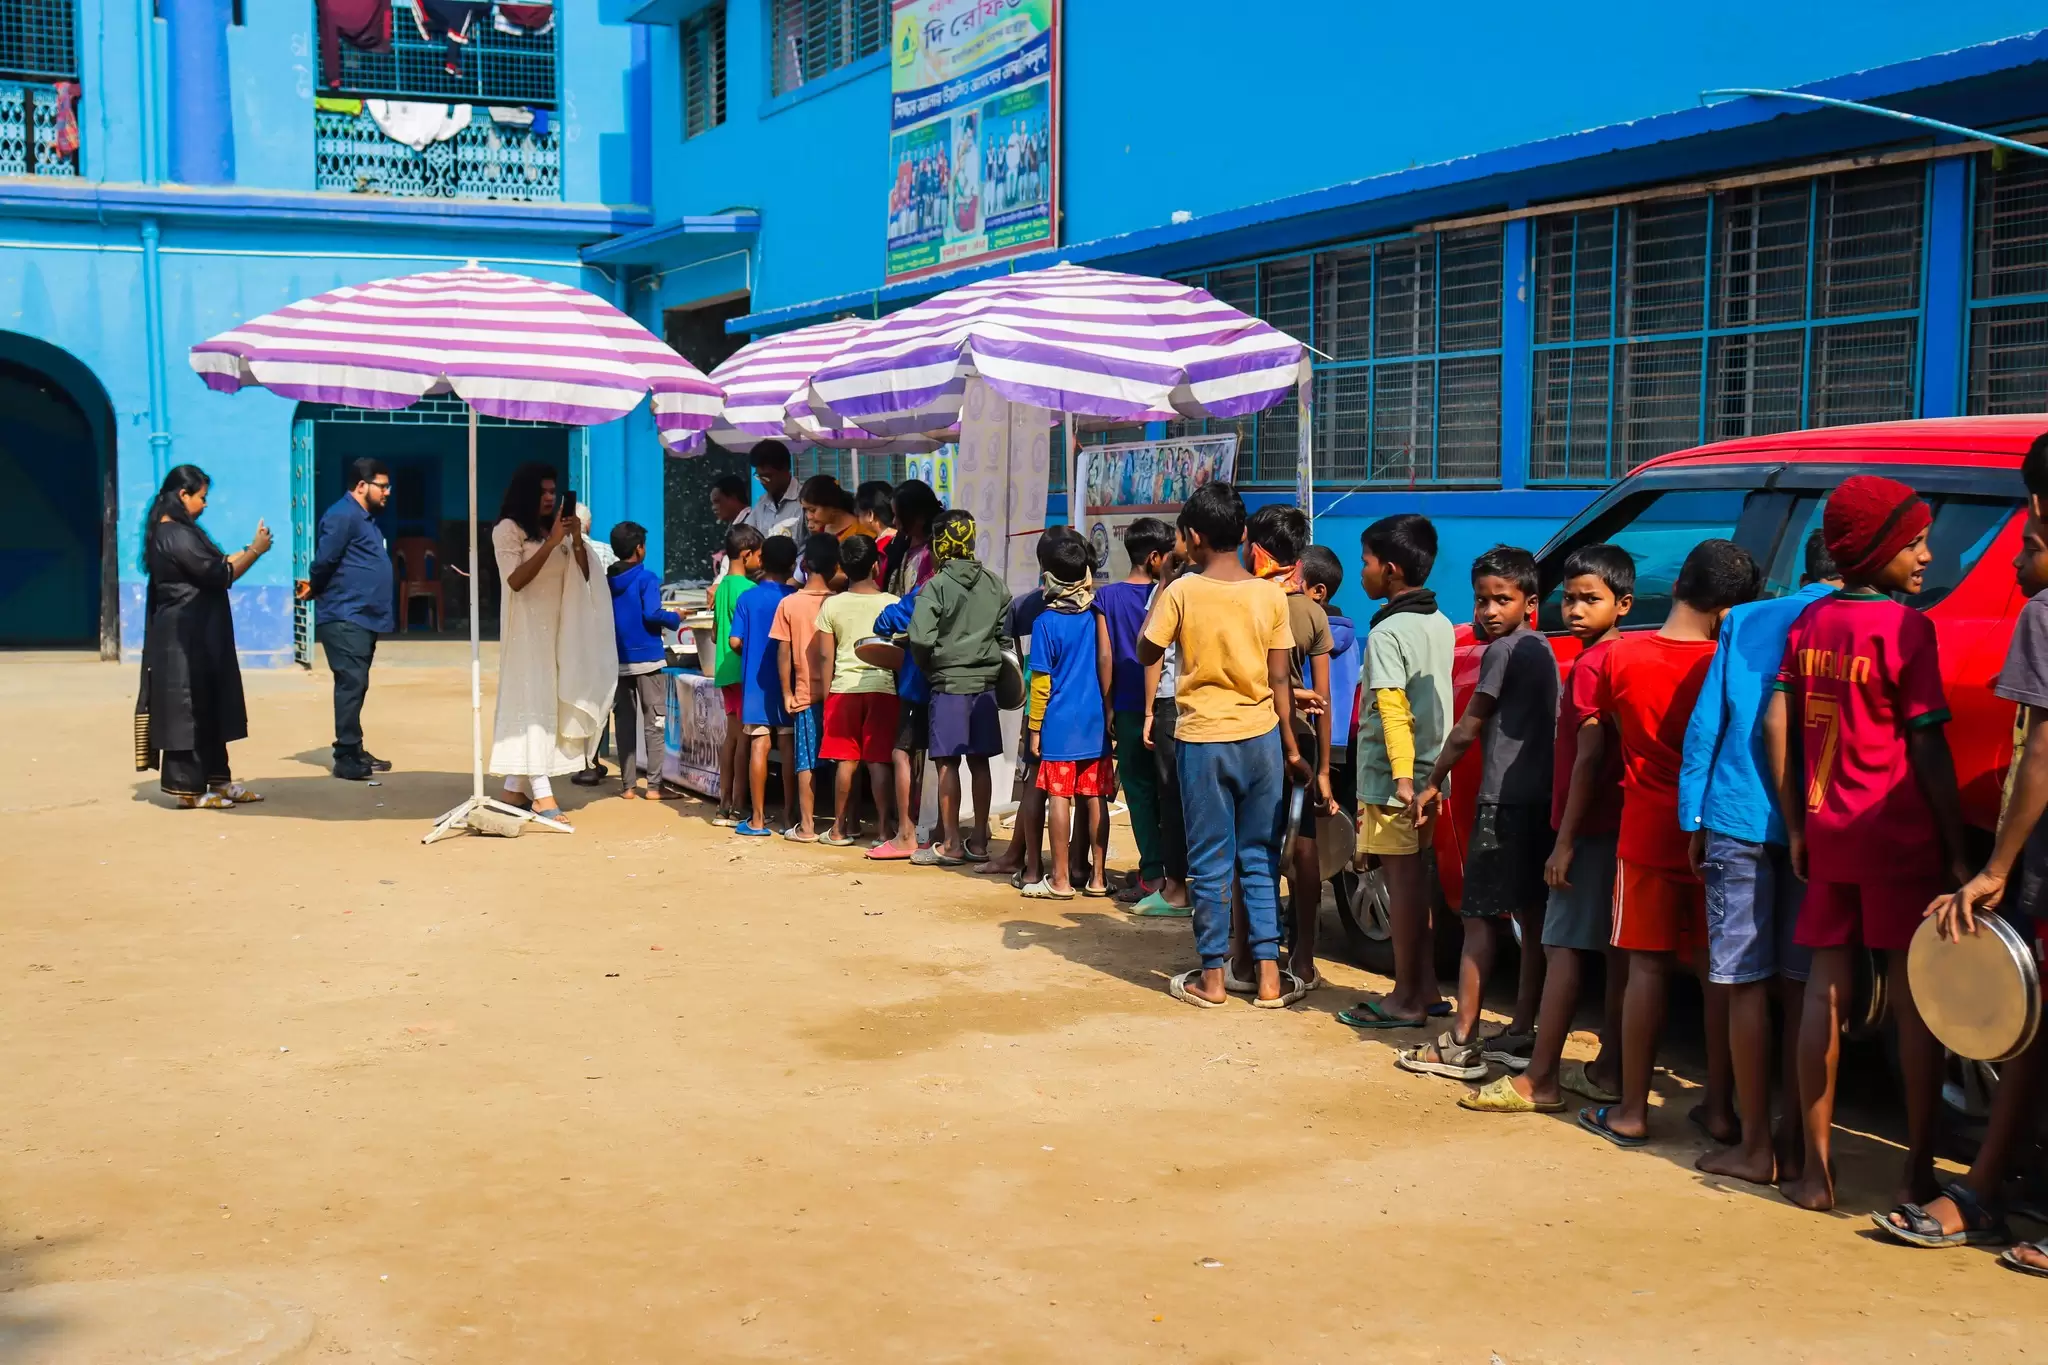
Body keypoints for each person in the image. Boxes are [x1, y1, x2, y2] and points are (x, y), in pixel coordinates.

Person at [1768, 475, 1968, 1213]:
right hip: (1895, 836)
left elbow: (1782, 724)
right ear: (1878, 549)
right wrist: (1957, 848)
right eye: (1915, 543)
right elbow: (1929, 749)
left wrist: (1797, 824)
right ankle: (1917, 1172)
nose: (1927, 556)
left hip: (1827, 831)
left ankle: (1814, 1174)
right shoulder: (1907, 630)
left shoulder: (1809, 622)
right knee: (1914, 1002)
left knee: (1824, 989)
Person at [1878, 475, 2048, 1266]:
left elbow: (2042, 749)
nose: (2017, 557)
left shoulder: (2042, 614)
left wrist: (1996, 864)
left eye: (2028, 541)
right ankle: (1988, 1189)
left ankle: (1984, 1191)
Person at [1668, 531, 1839, 1178]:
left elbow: (1707, 726)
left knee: (1742, 982)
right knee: (1802, 987)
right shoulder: (1870, 622)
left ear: (1805, 567)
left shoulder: (1746, 619)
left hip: (1740, 816)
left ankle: (1755, 1146)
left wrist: (1694, 816)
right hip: (1822, 828)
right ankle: (1796, 1142)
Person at [1577, 539, 1759, 1147]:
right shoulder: (1728, 664)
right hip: (1715, 832)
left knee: (1645, 968)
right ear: (1729, 609)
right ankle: (1720, 1108)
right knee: (1716, 973)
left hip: (1645, 832)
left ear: (1678, 584)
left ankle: (1630, 1110)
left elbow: (1611, 732)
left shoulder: (1621, 658)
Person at [1463, 543, 1633, 1115]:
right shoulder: (1619, 657)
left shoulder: (1591, 666)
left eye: (1591, 600)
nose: (1576, 610)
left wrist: (1564, 841)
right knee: (1617, 952)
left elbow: (1588, 758)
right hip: (1616, 825)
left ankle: (1540, 1080)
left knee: (1561, 946)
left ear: (1623, 603)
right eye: (1571, 599)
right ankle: (1609, 1068)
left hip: (1585, 831)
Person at [1139, 482, 1306, 1008]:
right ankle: (1270, 978)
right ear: (1244, 533)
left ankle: (1212, 979)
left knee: (1210, 861)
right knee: (1259, 858)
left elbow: (1146, 651)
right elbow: (1279, 679)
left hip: (1204, 739)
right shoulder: (1269, 594)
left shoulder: (1182, 591)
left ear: (1192, 536)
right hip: (1262, 738)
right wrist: (1291, 748)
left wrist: (1165, 584)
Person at [1406, 546, 1557, 1080]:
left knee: (1477, 920)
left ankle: (1461, 1041)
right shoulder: (1542, 647)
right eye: (1481, 600)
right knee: (1532, 921)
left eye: (1502, 600)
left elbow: (1468, 727)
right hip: (1539, 801)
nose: (1489, 611)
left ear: (1530, 603)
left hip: (1501, 801)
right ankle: (1520, 1031)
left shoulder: (1502, 652)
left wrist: (1432, 780)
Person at [1338, 514, 1457, 1029]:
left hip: (1395, 785)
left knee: (1403, 891)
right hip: (1432, 779)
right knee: (1416, 887)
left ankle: (1406, 998)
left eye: (1365, 561)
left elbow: (1392, 709)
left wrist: (1403, 779)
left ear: (1390, 570)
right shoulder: (1439, 622)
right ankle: (1424, 989)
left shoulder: (1388, 632)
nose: (1360, 571)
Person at [134, 465, 273, 809]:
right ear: (183, 495)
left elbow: (220, 563)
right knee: (187, 710)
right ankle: (188, 790)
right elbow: (221, 574)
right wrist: (256, 551)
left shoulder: (184, 532)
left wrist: (250, 548)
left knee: (210, 704)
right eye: (202, 497)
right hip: (183, 636)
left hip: (201, 633)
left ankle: (218, 780)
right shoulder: (173, 534)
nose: (205, 504)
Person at [488, 462, 615, 828]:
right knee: (532, 705)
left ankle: (514, 789)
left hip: (559, 631)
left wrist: (574, 539)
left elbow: (586, 575)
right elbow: (515, 581)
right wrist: (553, 542)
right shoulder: (508, 530)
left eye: (552, 491)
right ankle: (542, 793)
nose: (549, 498)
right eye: (542, 491)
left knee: (550, 705)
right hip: (526, 633)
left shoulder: (555, 530)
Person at [1241, 504, 1335, 991]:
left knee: (1251, 842)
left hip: (1256, 733)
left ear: (1255, 547)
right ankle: (1304, 959)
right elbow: (1324, 699)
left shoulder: (1248, 602)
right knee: (1304, 844)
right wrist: (1324, 769)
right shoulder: (1312, 612)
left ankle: (1245, 955)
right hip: (1302, 738)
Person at [980, 529, 1088, 890]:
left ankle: (1027, 864)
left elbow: (1010, 654)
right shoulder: (1093, 606)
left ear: (1043, 566)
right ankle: (1079, 865)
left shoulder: (1028, 606)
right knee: (1084, 790)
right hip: (1086, 709)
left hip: (1042, 709)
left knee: (1035, 785)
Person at [906, 509, 1012, 866]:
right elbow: (1004, 639)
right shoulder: (996, 585)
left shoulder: (935, 586)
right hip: (985, 688)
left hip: (948, 684)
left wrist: (930, 666)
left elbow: (920, 638)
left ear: (940, 543)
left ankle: (951, 843)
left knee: (947, 763)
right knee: (980, 763)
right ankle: (979, 841)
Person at [1025, 531, 1114, 899]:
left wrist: (1034, 728)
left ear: (1048, 575)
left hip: (1059, 725)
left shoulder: (1044, 623)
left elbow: (1040, 684)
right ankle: (1097, 878)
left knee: (1058, 797)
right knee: (1095, 797)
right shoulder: (1097, 616)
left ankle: (1060, 879)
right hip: (1095, 721)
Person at [300, 456, 394, 781]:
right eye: (383, 486)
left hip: (362, 615)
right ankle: (345, 756)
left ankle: (354, 748)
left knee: (357, 683)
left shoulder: (364, 518)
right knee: (351, 683)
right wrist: (316, 586)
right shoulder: (342, 515)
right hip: (345, 614)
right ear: (362, 485)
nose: (387, 492)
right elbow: (324, 561)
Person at [1097, 517, 1175, 902]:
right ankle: (1172, 873)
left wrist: (1108, 705)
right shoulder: (1172, 593)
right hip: (1169, 705)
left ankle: (1152, 873)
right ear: (1155, 557)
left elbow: (1105, 656)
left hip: (1128, 705)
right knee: (1168, 791)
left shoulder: (1107, 598)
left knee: (1139, 792)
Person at [813, 534, 900, 847]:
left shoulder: (832, 605)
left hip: (843, 689)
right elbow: (900, 653)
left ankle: (838, 829)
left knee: (845, 762)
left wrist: (828, 695)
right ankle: (884, 831)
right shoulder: (892, 603)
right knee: (878, 761)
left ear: (841, 567)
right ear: (876, 566)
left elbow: (826, 656)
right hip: (883, 689)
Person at [1137, 524, 1195, 918]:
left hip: (1173, 699)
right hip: (1220, 702)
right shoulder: (1242, 587)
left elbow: (1149, 649)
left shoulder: (1175, 588)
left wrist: (1148, 711)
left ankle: (1176, 888)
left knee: (1172, 795)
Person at [772, 534, 841, 842]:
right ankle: (845, 824)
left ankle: (808, 826)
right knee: (844, 761)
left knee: (806, 763)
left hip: (804, 696)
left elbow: (783, 652)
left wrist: (787, 693)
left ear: (803, 564)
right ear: (836, 566)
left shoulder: (789, 603)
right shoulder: (838, 602)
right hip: (838, 694)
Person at [729, 536, 800, 836]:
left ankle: (757, 819)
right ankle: (790, 816)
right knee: (788, 746)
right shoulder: (796, 598)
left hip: (756, 685)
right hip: (789, 684)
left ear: (761, 561)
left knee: (759, 743)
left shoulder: (748, 598)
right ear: (793, 565)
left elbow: (735, 641)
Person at [606, 520, 681, 800]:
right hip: (648, 659)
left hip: (618, 660)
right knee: (655, 722)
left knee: (624, 722)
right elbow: (652, 613)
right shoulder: (646, 578)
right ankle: (653, 786)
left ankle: (628, 786)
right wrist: (675, 618)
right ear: (639, 549)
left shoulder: (607, 581)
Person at [710, 524, 764, 827]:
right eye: (759, 555)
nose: (761, 561)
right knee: (744, 738)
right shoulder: (749, 590)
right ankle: (739, 807)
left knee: (731, 738)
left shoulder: (721, 588)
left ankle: (724, 804)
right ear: (746, 554)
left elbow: (715, 633)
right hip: (743, 671)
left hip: (724, 670)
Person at [737, 440, 803, 543]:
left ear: (785, 470)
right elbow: (747, 537)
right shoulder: (762, 503)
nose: (762, 482)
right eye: (759, 477)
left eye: (767, 476)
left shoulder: (804, 502)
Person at [883, 479, 941, 596]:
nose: (894, 521)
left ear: (919, 517)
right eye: (894, 515)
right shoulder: (899, 542)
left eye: (899, 516)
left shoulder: (938, 552)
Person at [709, 473, 750, 580]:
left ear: (733, 498)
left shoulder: (751, 524)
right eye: (712, 503)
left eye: (717, 501)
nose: (713, 508)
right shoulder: (735, 525)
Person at [801, 475, 860, 542]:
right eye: (805, 510)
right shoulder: (820, 528)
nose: (808, 516)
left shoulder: (860, 533)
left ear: (832, 504)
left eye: (813, 510)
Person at [856, 480, 897, 556]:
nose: (858, 517)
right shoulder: (904, 538)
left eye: (859, 513)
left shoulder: (880, 548)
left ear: (870, 514)